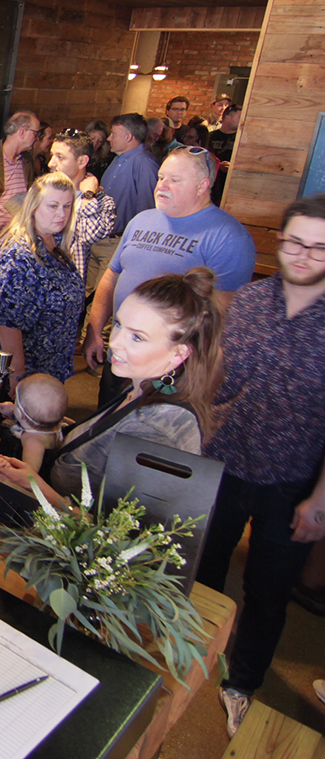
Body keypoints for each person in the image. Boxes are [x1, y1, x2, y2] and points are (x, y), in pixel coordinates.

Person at [195, 195, 325, 738]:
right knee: (202, 563)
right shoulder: (246, 301)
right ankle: (192, 645)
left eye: (320, 247)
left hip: (291, 479)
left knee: (268, 591)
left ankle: (242, 681)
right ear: (281, 239)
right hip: (224, 460)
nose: (304, 254)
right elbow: (218, 373)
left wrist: (319, 500)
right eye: (295, 241)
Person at [0, 268, 221, 503]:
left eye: (138, 337)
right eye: (119, 324)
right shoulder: (143, 387)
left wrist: (33, 485)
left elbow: (118, 533)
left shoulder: (155, 431)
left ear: (178, 354)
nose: (116, 342)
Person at [85, 147, 256, 405]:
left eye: (174, 180)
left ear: (202, 186)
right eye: (161, 177)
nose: (161, 186)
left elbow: (223, 318)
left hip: (173, 373)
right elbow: (111, 276)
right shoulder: (141, 220)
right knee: (106, 425)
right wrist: (95, 330)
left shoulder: (229, 237)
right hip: (122, 355)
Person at [0, 172, 85, 477]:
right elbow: (8, 322)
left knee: (17, 439)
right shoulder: (19, 252)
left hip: (43, 365)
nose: (61, 214)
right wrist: (18, 380)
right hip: (12, 367)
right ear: (33, 207)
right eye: (53, 206)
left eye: (67, 206)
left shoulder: (53, 243)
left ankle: (7, 486)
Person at [85, 113, 160, 297]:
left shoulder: (144, 164)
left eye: (113, 134)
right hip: (99, 240)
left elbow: (147, 211)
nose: (109, 138)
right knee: (85, 296)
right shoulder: (118, 159)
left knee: (102, 302)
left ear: (128, 137)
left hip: (117, 244)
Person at [47, 129, 117, 284]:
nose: (51, 163)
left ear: (82, 161)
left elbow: (88, 236)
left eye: (60, 157)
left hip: (68, 288)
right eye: (52, 155)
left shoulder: (103, 202)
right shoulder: (42, 192)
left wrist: (88, 196)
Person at [0, 110, 41, 239]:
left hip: (14, 237)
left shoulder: (27, 162)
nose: (37, 138)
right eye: (36, 133)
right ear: (23, 132)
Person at [0, 373, 68, 474]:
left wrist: (5, 467)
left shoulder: (33, 441)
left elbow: (29, 475)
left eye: (16, 401)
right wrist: (12, 412)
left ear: (20, 412)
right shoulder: (57, 423)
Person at [208, 104, 242, 205]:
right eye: (239, 117)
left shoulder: (241, 140)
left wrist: (233, 166)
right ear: (228, 118)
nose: (242, 120)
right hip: (211, 183)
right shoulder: (211, 136)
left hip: (230, 186)